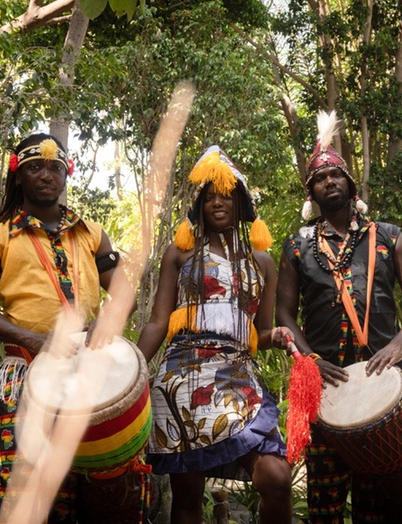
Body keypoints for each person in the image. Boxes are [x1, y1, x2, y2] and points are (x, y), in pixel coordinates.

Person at [0, 133, 143, 523]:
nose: (46, 175)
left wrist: (106, 323)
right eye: (35, 167)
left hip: (93, 375)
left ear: (67, 174)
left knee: (101, 494)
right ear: (17, 174)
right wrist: (34, 340)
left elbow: (124, 292)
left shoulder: (92, 233)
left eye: (55, 167)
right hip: (27, 372)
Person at [275, 111, 402, 523]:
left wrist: (401, 341)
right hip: (326, 393)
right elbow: (283, 312)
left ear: (351, 186)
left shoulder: (389, 236)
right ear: (311, 193)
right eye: (320, 178)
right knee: (325, 506)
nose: (329, 181)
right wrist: (309, 360)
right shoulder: (297, 247)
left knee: (378, 508)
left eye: (337, 175)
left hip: (380, 392)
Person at [137, 146, 294, 524]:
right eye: (210, 197)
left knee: (276, 477)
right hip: (183, 375)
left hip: (236, 375)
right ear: (199, 205)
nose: (218, 203)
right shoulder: (180, 253)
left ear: (241, 203)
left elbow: (263, 330)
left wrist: (279, 336)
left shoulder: (263, 262)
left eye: (226, 195)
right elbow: (159, 321)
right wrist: (132, 369)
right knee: (187, 493)